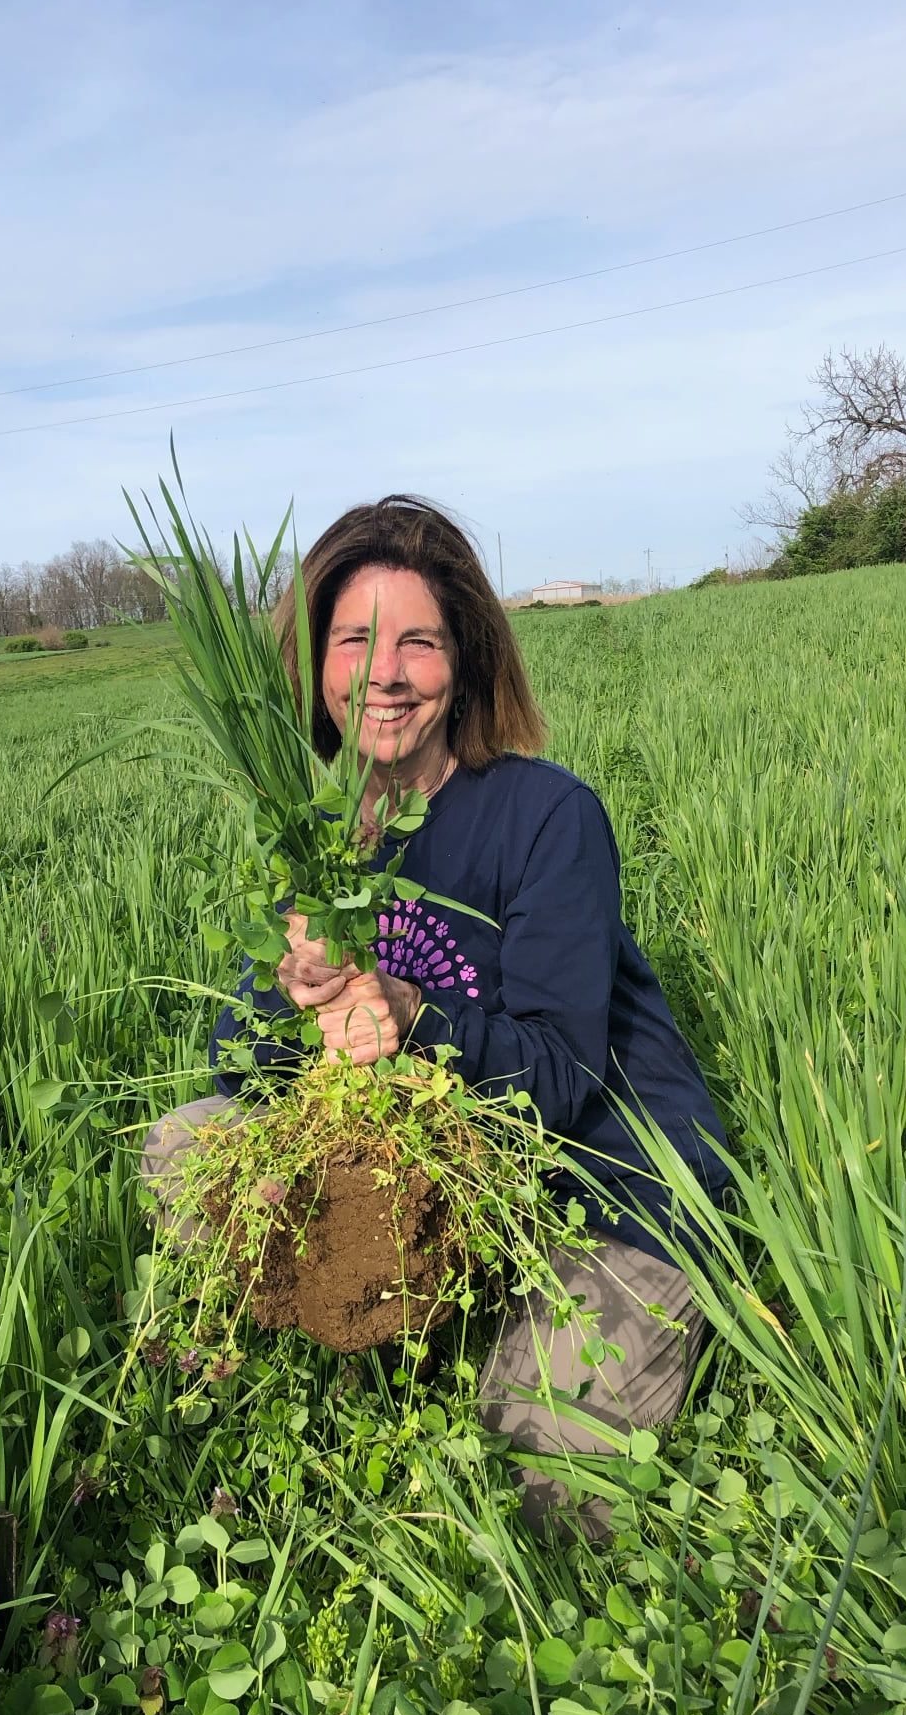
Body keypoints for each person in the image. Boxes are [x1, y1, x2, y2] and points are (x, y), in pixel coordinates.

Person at [143, 496, 731, 1524]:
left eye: (417, 640)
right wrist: (293, 999)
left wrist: (412, 1012)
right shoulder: (318, 837)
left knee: (539, 1481)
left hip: (602, 1180)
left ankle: (479, 1340)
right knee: (186, 1147)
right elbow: (239, 1066)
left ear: (464, 659)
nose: (385, 673)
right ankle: (324, 1361)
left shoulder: (546, 815)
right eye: (354, 639)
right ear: (315, 665)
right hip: (449, 1178)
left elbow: (562, 1078)